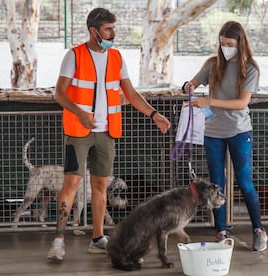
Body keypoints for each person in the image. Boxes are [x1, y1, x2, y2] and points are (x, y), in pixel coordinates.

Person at [47, 7, 171, 261]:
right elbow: (59, 93)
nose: (113, 33)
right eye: (108, 29)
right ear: (94, 31)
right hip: (79, 131)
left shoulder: (116, 57)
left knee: (101, 185)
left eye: (114, 28)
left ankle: (97, 238)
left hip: (107, 132)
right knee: (72, 182)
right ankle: (58, 240)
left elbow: (132, 94)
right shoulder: (74, 56)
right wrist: (81, 114)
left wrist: (154, 114)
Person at [182, 21, 268, 252]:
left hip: (239, 131)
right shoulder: (212, 63)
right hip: (213, 132)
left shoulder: (250, 68)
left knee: (245, 181)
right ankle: (220, 230)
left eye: (229, 44)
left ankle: (258, 230)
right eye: (221, 44)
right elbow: (193, 82)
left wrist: (209, 101)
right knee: (216, 183)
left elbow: (242, 103)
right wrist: (189, 86)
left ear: (240, 43)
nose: (225, 48)